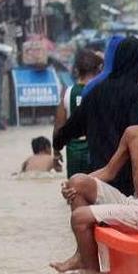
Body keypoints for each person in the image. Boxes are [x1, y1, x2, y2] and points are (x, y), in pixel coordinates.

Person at [51, 85, 138, 273]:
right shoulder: (132, 134)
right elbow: (109, 171)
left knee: (79, 217)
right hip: (133, 202)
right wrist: (69, 186)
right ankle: (82, 257)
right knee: (77, 182)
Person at [54, 36, 138, 196]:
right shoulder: (137, 94)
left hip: (98, 178)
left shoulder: (95, 92)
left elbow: (71, 128)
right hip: (128, 181)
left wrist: (58, 144)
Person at [54, 49, 104, 178]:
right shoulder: (102, 91)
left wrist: (56, 152)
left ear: (76, 71)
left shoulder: (67, 93)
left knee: (74, 192)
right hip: (96, 151)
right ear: (98, 69)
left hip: (74, 152)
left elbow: (59, 127)